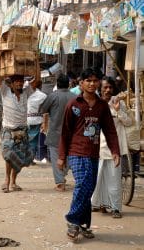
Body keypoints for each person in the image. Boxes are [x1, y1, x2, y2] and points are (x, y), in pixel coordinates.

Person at [58, 68, 120, 241]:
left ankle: (83, 224)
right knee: (83, 183)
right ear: (81, 83)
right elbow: (65, 132)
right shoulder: (73, 104)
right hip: (76, 152)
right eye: (88, 81)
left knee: (89, 188)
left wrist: (115, 151)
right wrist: (61, 156)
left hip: (94, 153)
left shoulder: (102, 106)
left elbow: (110, 130)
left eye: (95, 80)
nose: (92, 84)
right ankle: (72, 220)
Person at [91, 77, 131, 218]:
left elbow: (128, 122)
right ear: (100, 89)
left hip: (115, 148)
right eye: (105, 87)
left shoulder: (118, 102)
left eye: (110, 87)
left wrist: (119, 111)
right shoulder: (95, 103)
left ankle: (115, 208)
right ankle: (98, 204)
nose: (108, 90)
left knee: (114, 180)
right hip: (98, 148)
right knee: (97, 178)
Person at [39, 74, 75, 191]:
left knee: (55, 157)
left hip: (55, 132)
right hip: (71, 134)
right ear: (68, 84)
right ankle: (62, 176)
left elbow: (42, 109)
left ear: (57, 84)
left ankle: (60, 182)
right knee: (68, 156)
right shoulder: (74, 97)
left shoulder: (53, 96)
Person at [0, 75, 35, 193]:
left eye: (21, 81)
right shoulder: (5, 92)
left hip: (22, 130)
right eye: (17, 82)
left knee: (20, 157)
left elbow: (38, 80)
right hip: (9, 129)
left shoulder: (26, 92)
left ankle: (13, 182)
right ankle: (7, 180)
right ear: (11, 83)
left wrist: (35, 62)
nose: (19, 84)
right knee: (9, 155)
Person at [27, 80, 47, 162]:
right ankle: (30, 159)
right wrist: (45, 122)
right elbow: (45, 110)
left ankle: (28, 158)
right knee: (33, 141)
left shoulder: (25, 94)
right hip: (37, 120)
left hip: (27, 120)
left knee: (28, 140)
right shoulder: (43, 96)